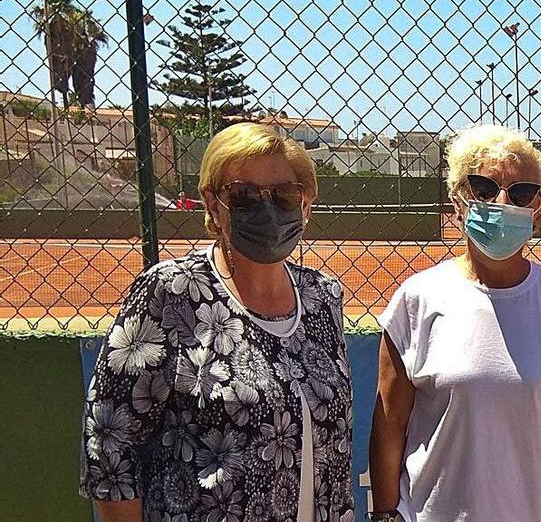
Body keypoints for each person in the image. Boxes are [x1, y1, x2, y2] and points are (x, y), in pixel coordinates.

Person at [79, 122, 354, 521]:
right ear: (212, 203)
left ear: (306, 203)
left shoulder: (322, 297)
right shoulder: (171, 293)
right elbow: (109, 442)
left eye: (285, 195)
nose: (268, 209)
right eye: (243, 196)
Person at [369, 124, 541, 522]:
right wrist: (386, 514)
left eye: (521, 193)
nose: (501, 202)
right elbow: (390, 424)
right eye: (483, 189)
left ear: (539, 211)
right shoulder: (417, 299)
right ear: (458, 202)